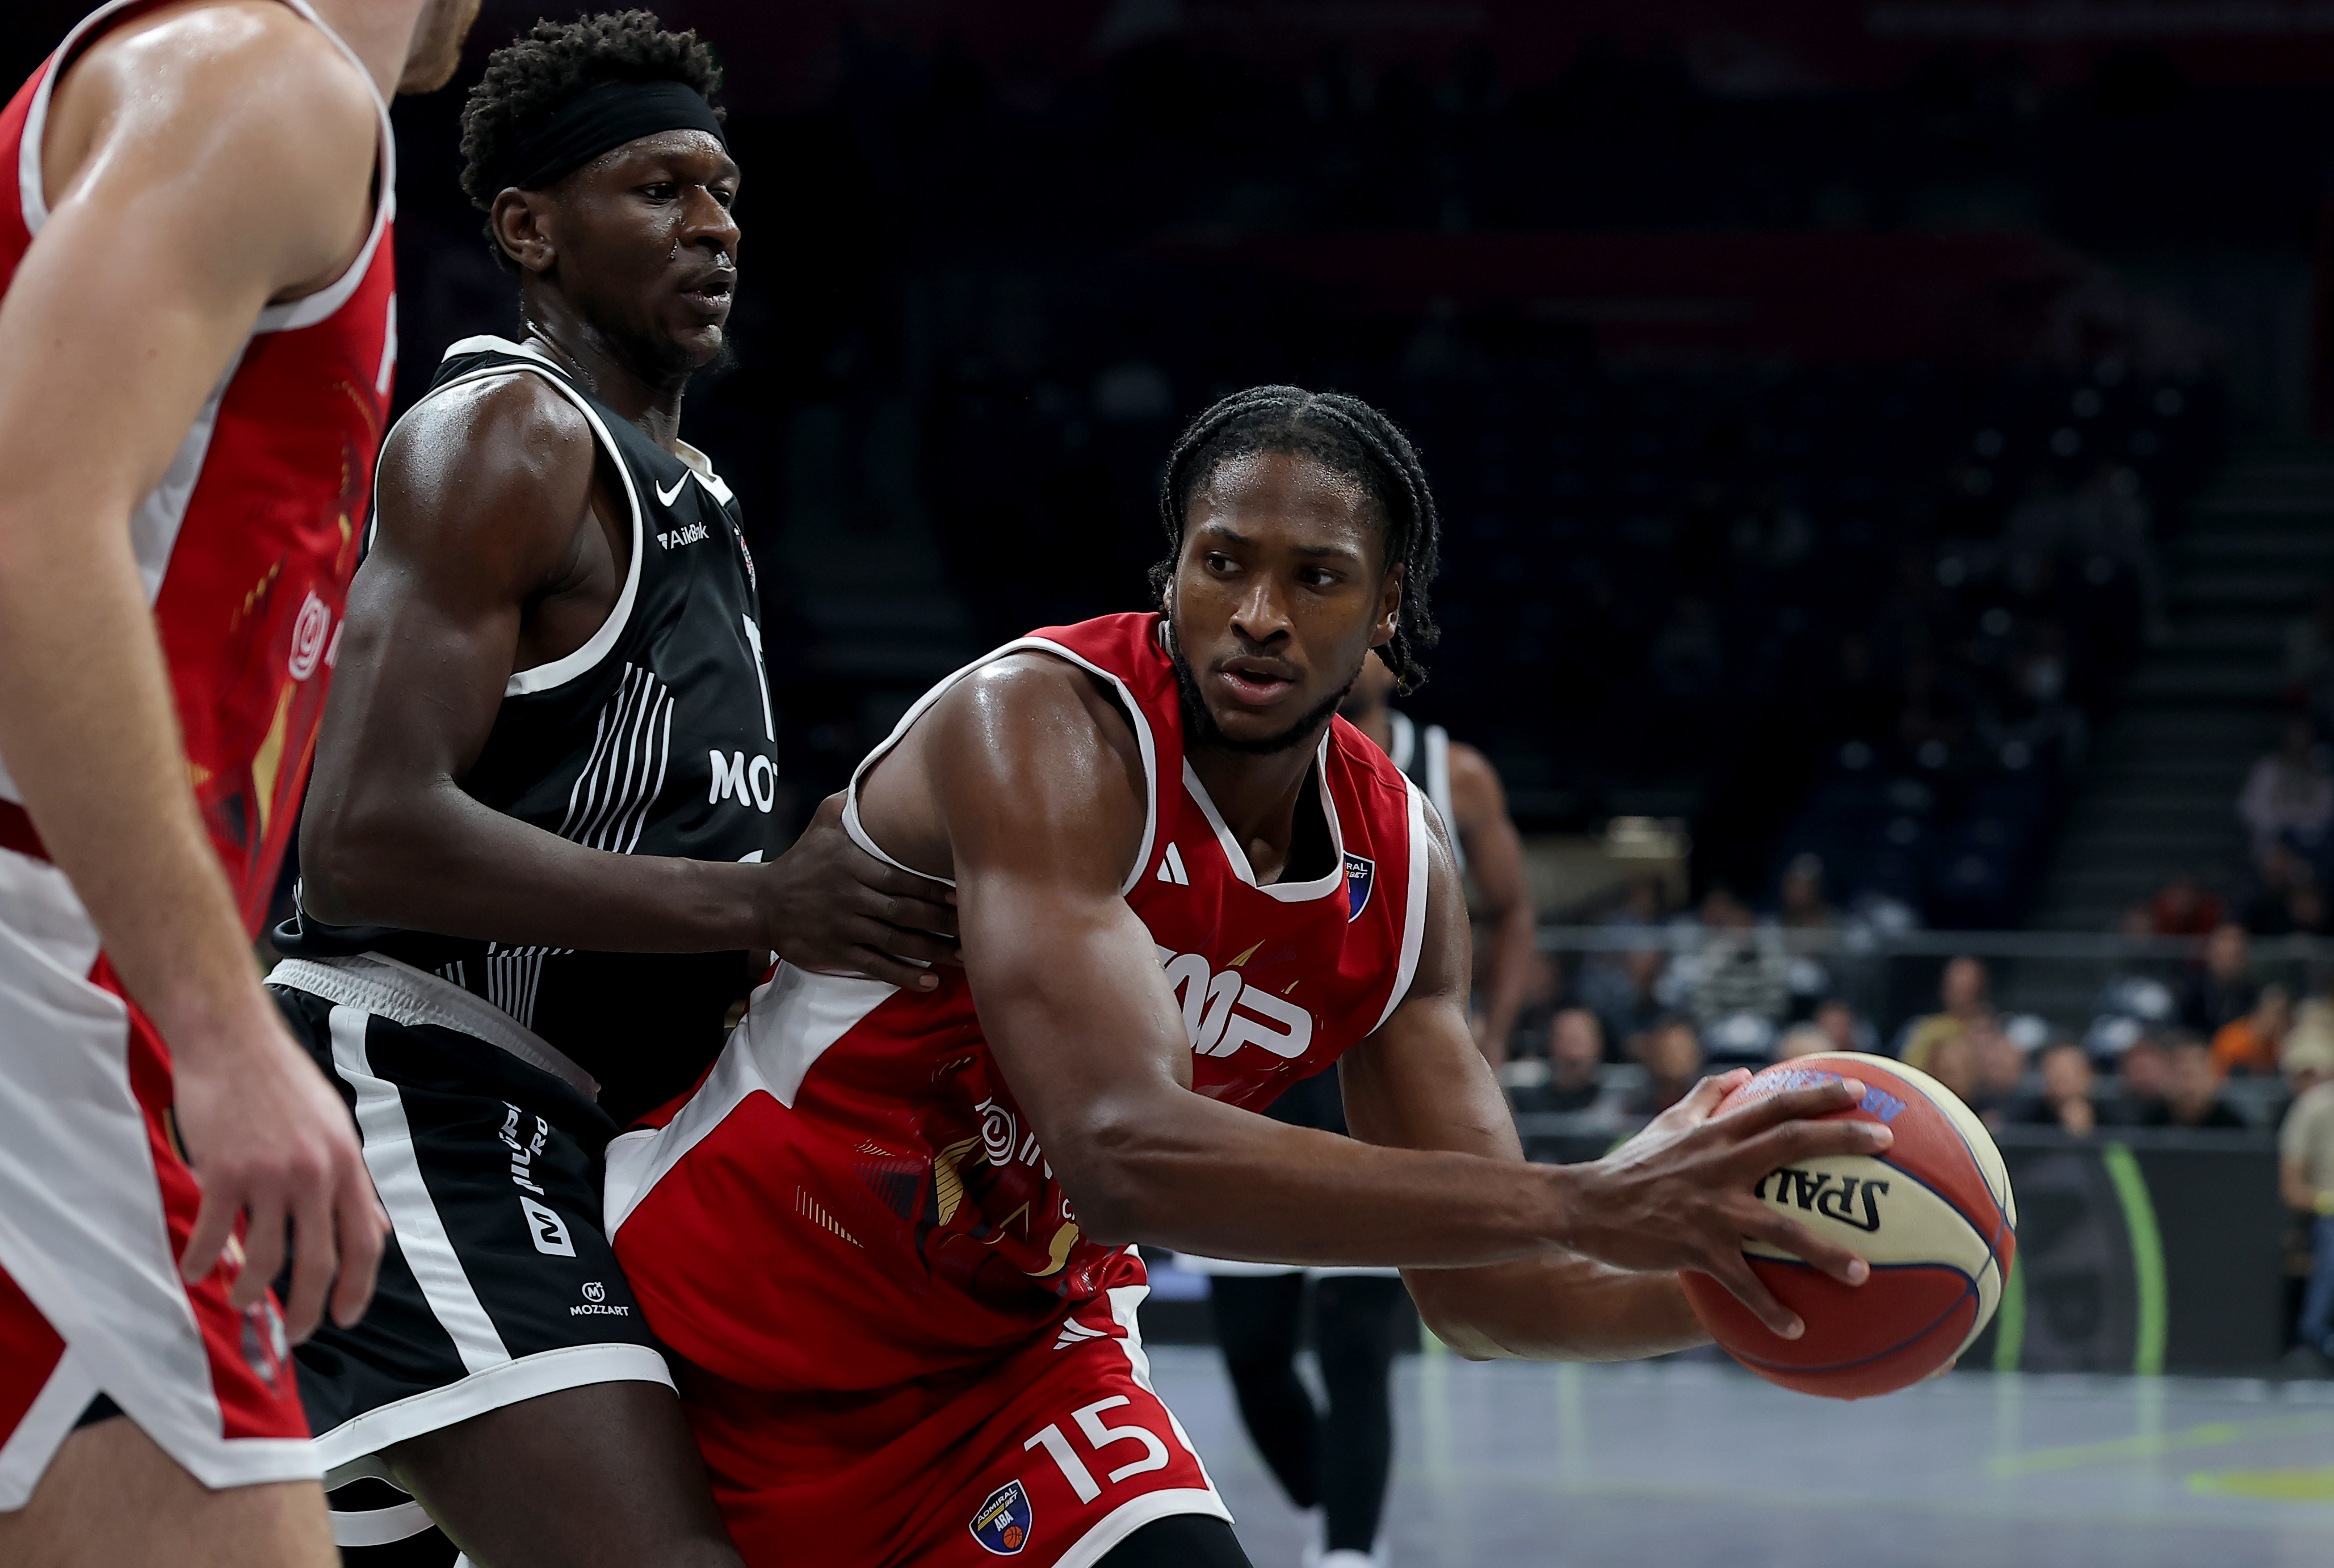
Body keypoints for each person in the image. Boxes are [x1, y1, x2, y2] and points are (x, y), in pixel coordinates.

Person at [604, 386, 1890, 1567]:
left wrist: (1745, 1280)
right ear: (1172, 571)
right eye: (1223, 563)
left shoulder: (1401, 873)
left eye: (1316, 577)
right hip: (713, 1325)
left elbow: (1492, 1294)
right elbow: (1118, 1151)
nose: (1260, 614)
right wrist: (1576, 1195)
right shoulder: (1046, 727)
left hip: (1010, 1367)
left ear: (1384, 609)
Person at [262, 16, 959, 1566]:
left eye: (721, 192)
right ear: (529, 228)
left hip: (566, 1134)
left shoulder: (694, 497)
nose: (713, 225)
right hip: (424, 1084)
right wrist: (762, 897)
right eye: (656, 190)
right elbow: (364, 839)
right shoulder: (508, 434)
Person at [0, 2, 484, 1563]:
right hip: (51, 997)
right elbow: (22, 527)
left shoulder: (177, 87)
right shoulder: (267, 84)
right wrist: (223, 1031)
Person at [1338, 649, 1533, 1064]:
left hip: (1413, 1033)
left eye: (1365, 640)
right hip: (1295, 1020)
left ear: (1396, 666)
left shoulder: (1457, 774)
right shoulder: (1267, 762)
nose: (1348, 650)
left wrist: (1494, 1034)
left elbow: (1513, 911)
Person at [2279, 1042, 2334, 1371]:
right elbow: (2292, 1188)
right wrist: (2329, 1201)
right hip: (2323, 1215)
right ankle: (2316, 1336)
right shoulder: (2315, 1107)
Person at [2239, 717, 2333, 871]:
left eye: (2304, 737)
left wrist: (2301, 823)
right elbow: (2249, 809)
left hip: (2313, 847)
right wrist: (2283, 822)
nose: (2298, 742)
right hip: (2273, 843)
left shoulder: (2321, 771)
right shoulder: (2268, 768)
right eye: (2294, 737)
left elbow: (2325, 811)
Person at [1896, 955, 1991, 1072]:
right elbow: (1908, 1071)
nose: (1960, 990)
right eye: (1954, 983)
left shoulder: (1992, 1032)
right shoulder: (1926, 1029)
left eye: (1967, 985)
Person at [2143, 1040, 2250, 1130]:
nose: (2189, 1085)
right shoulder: (2149, 1126)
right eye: (2183, 1075)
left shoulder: (2234, 1127)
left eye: (2196, 1075)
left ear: (2216, 1080)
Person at [2181, 922, 2260, 1037]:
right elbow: (2183, 1031)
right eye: (2225, 952)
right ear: (2211, 951)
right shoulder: (2193, 990)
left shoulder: (2250, 993)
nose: (2232, 948)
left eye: (2236, 953)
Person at [2012, 1041, 2104, 1136]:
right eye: (2054, 1072)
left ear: (2089, 1076)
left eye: (2069, 1072)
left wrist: (2083, 1134)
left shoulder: (2113, 1120)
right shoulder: (2025, 1121)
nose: (2061, 1079)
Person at [2211, 984, 2293, 1078]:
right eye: (2275, 1013)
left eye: (2282, 1015)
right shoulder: (2232, 1038)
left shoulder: (2273, 1046)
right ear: (2259, 1010)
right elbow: (2218, 1073)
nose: (2277, 1020)